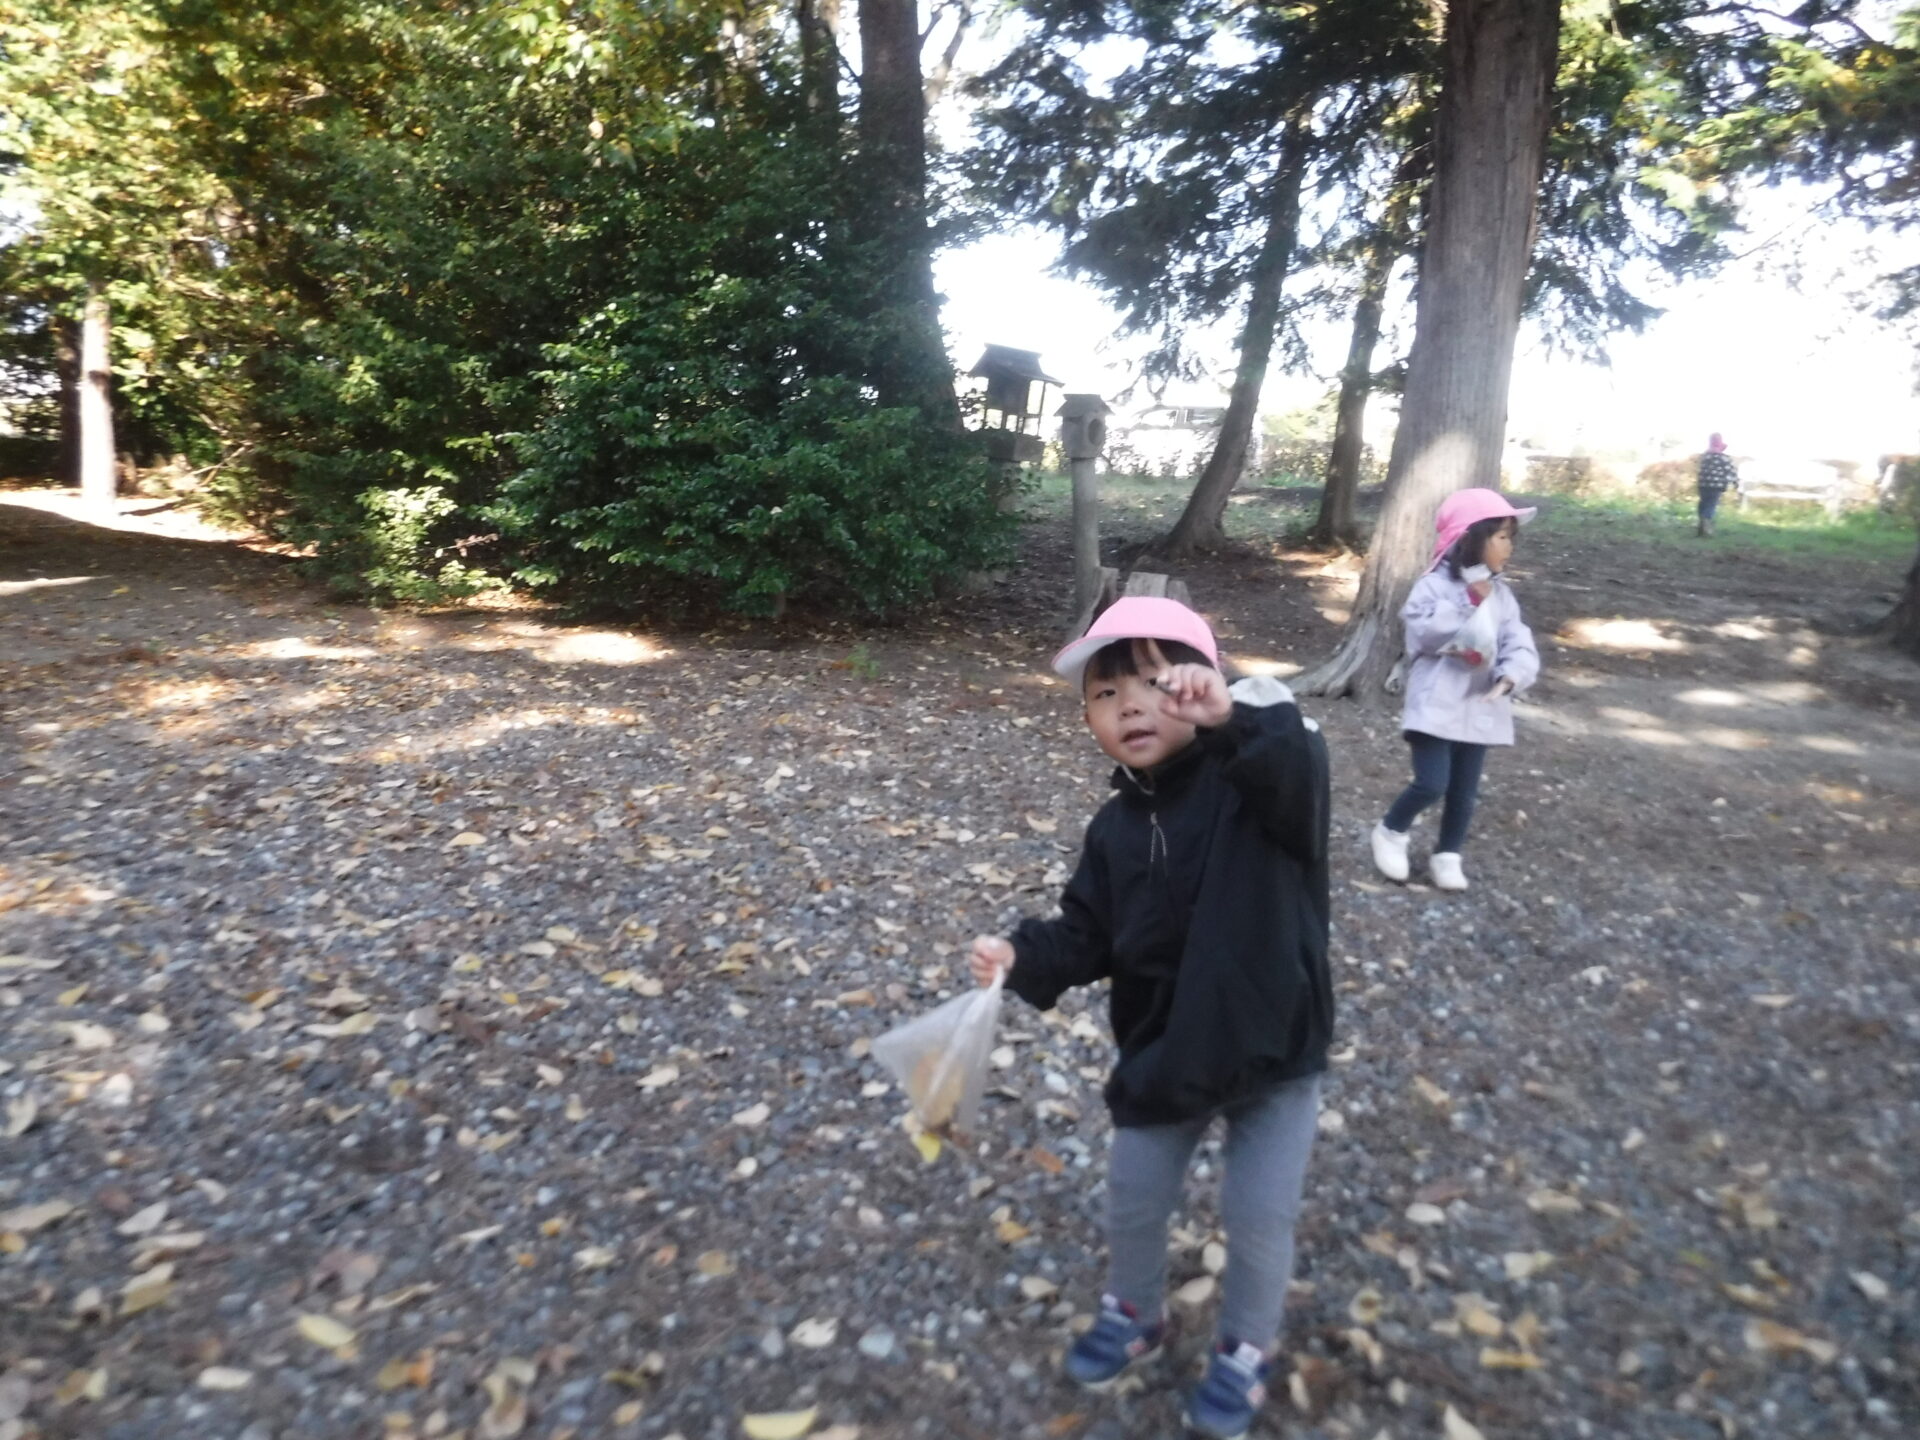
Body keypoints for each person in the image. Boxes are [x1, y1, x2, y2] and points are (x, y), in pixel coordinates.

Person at [967, 596, 1332, 1440]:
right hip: (1164, 1047)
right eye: (1104, 694)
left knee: (1258, 1216)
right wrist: (1021, 955)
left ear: (1201, 687)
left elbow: (1297, 768)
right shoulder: (1115, 829)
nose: (1128, 705)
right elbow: (1087, 933)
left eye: (1153, 683)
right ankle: (1135, 1311)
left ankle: (1245, 1347)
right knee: (1133, 1195)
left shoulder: (1260, 782)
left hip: (1274, 1047)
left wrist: (1233, 719)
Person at [1369, 488, 1540, 893]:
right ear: (1470, 539)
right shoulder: (1432, 586)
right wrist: (1466, 602)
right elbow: (1423, 634)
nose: (1509, 547)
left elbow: (1518, 641)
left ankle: (1448, 854)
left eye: (1511, 537)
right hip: (1436, 704)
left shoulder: (1502, 596)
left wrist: (1511, 675)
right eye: (1501, 536)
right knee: (1432, 782)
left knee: (1464, 792)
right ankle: (1391, 831)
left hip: (1480, 704)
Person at [1696, 433, 1740, 537]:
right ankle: (1706, 523)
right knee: (1711, 504)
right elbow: (1730, 472)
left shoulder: (1704, 457)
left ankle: (1701, 522)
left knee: (1703, 503)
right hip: (1717, 486)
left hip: (1703, 484)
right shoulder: (1724, 458)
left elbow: (1700, 470)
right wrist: (1735, 483)